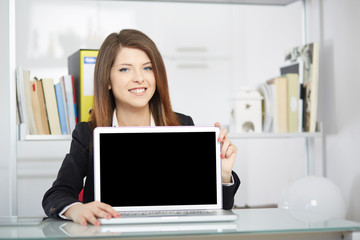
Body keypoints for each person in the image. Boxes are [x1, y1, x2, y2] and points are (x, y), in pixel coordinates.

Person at [42, 29, 240, 226]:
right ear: (107, 80)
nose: (139, 78)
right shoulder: (88, 133)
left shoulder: (182, 125)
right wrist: (78, 209)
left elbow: (218, 207)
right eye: (125, 69)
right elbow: (57, 194)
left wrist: (221, 174)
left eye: (147, 68)